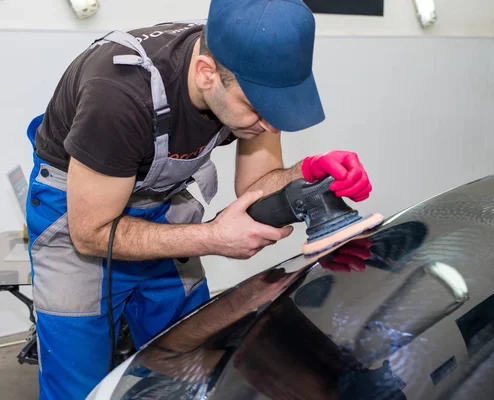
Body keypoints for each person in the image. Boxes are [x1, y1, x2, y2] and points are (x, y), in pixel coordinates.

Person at [25, 0, 372, 398]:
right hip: (78, 215)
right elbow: (90, 233)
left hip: (162, 204)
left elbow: (257, 182)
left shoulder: (246, 68)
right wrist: (213, 238)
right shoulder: (119, 93)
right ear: (206, 74)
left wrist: (309, 171)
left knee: (190, 356)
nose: (271, 124)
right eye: (259, 108)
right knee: (79, 385)